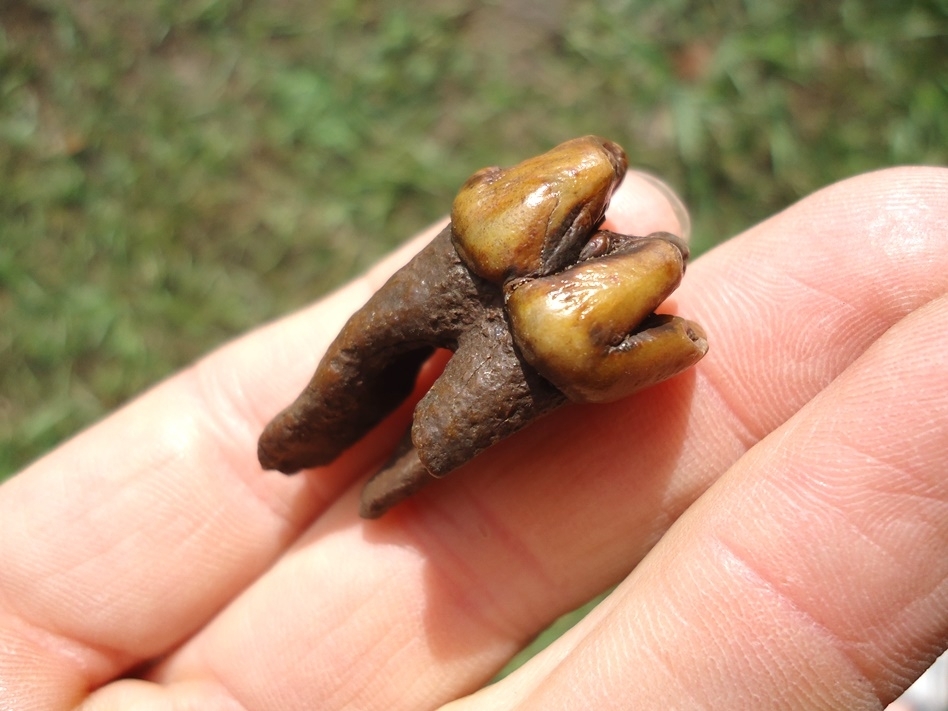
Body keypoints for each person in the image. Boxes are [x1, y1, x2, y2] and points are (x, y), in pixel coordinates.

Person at [1, 166, 946, 710]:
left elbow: (677, 339)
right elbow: (676, 338)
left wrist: (663, 339)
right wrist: (667, 339)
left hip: (534, 327)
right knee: (358, 380)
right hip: (497, 282)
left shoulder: (586, 214)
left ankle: (369, 474)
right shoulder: (570, 186)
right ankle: (314, 452)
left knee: (428, 438)